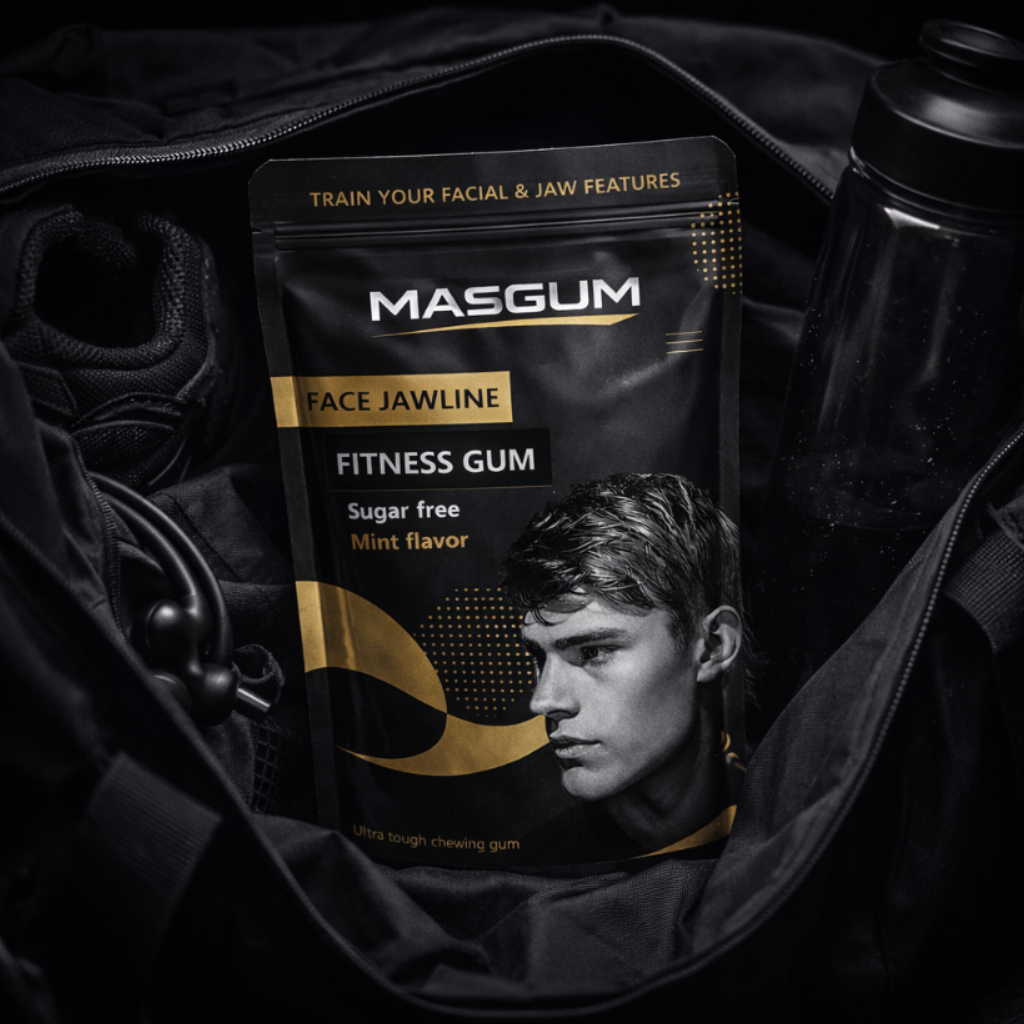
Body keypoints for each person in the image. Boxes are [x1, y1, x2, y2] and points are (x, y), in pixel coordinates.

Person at [502, 472, 744, 855]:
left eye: (593, 652)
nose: (544, 701)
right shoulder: (528, 867)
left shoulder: (799, 819)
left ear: (713, 646)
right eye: (538, 656)